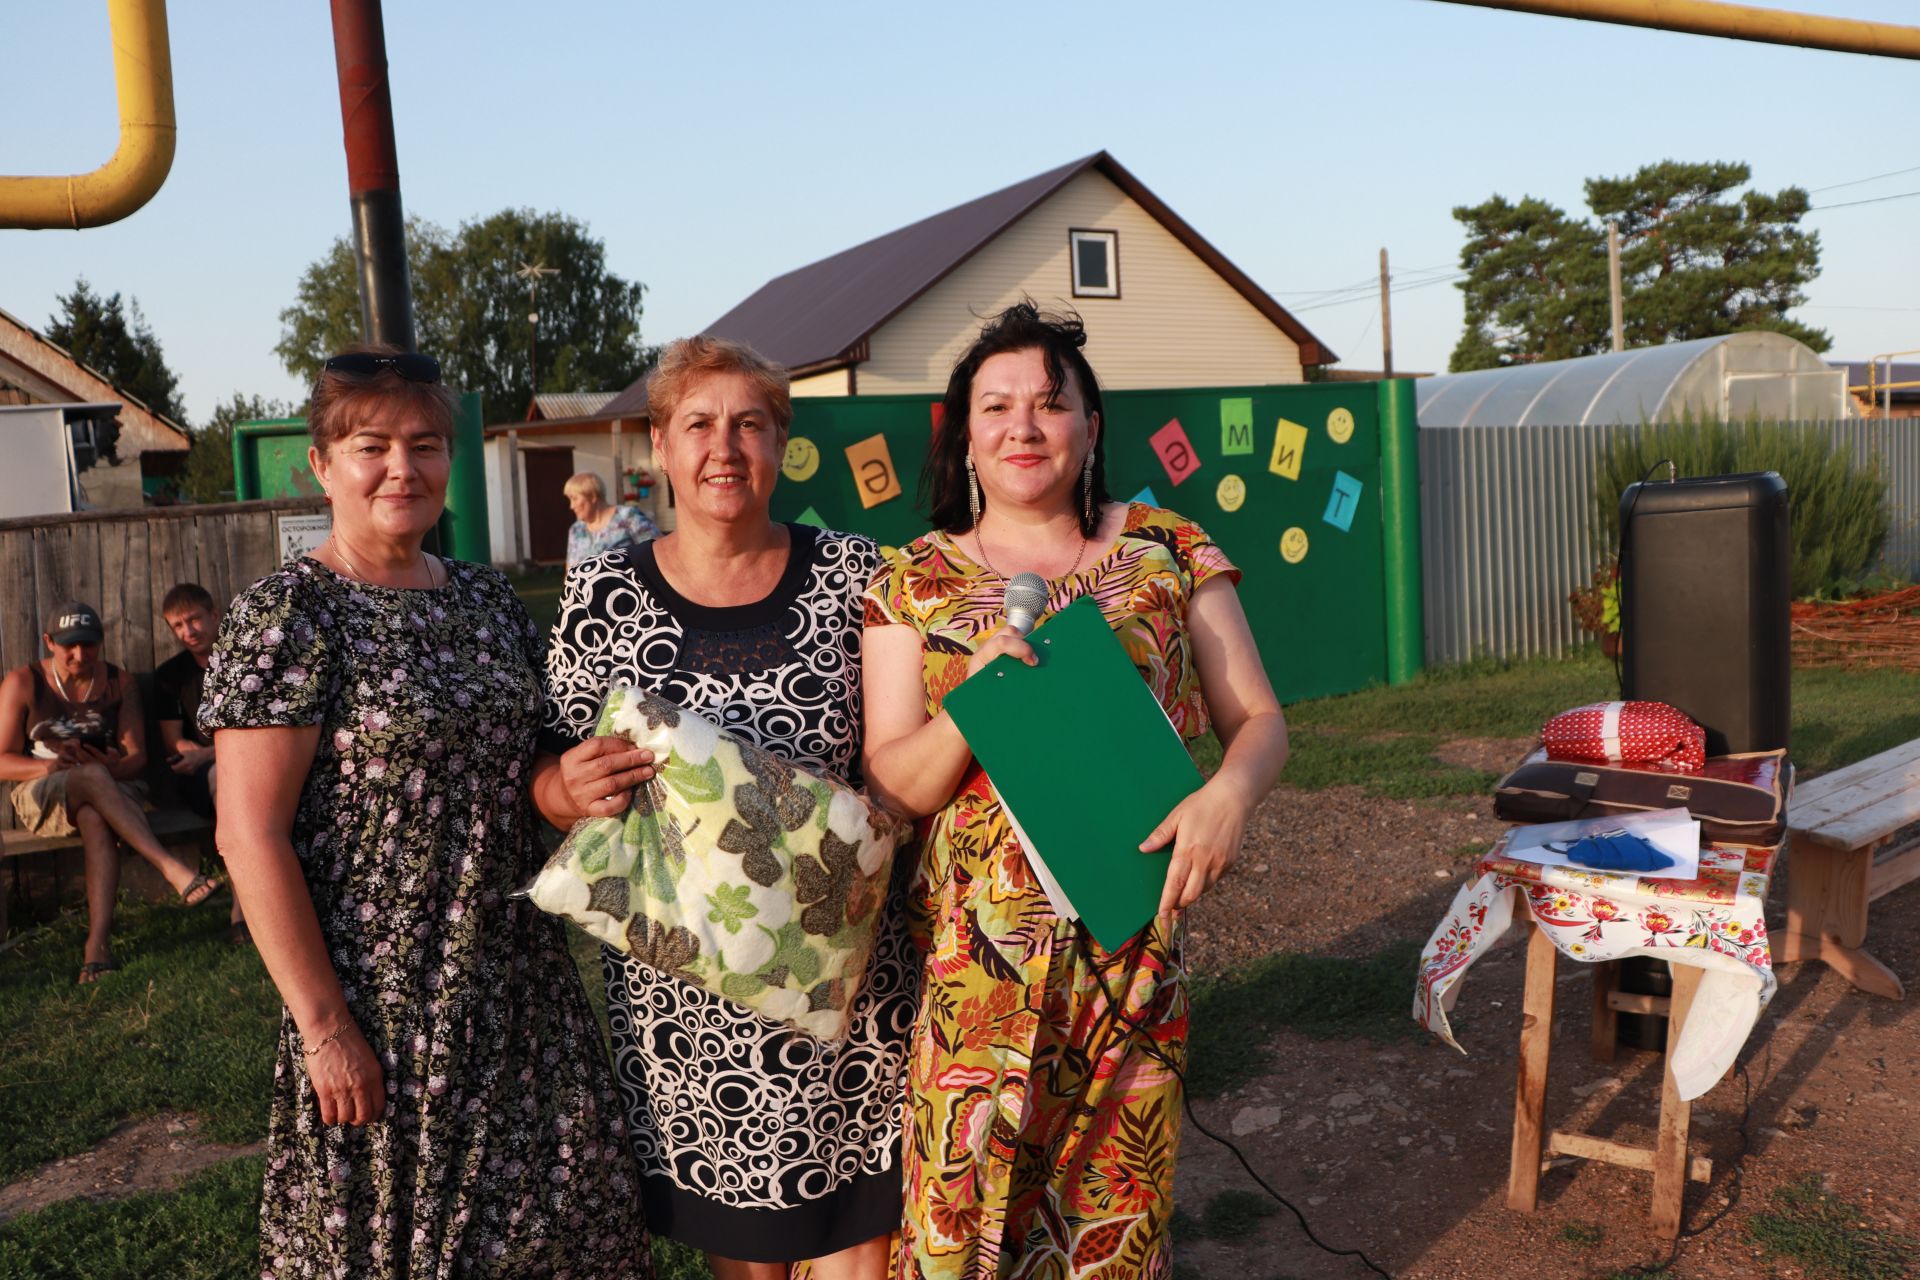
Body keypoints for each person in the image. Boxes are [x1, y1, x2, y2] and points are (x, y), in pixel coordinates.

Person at [200, 345, 651, 1279]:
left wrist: (563, 787)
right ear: (320, 465)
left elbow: (525, 767)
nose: (402, 467)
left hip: (520, 986)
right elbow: (248, 834)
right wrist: (327, 1030)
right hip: (386, 1002)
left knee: (564, 1241)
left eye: (427, 444)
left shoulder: (487, 600)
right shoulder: (290, 616)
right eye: (372, 445)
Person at [861, 303, 1291, 1277]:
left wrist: (1229, 796)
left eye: (1051, 404)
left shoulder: (1168, 550)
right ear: (964, 435)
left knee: (1111, 1238)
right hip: (972, 985)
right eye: (998, 406)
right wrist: (970, 700)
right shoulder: (911, 581)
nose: (1025, 425)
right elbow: (896, 782)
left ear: (1091, 426)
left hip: (1131, 960)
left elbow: (1261, 722)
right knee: (957, 1240)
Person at [534, 335, 913, 1280]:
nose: (724, 447)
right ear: (659, 446)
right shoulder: (606, 591)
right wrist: (559, 788)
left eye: (750, 424)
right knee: (742, 1261)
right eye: (698, 424)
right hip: (690, 1004)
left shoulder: (857, 573)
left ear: (782, 443)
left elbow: (907, 746)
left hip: (850, 992)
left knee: (860, 1247)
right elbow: (545, 765)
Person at [0, 602, 223, 984]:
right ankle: (171, 869)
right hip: (44, 790)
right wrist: (52, 766)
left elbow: (136, 760)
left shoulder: (120, 682)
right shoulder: (23, 682)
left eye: (88, 645)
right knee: (90, 778)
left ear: (100, 643)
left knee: (94, 811)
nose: (79, 655)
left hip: (114, 789)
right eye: (69, 646)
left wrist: (108, 762)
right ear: (49, 642)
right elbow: (2, 760)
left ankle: (97, 949)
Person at [155, 582, 248, 945]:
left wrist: (207, 753)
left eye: (194, 620)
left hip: (246, 765)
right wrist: (188, 753)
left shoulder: (242, 659)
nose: (188, 631)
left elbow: (257, 732)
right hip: (201, 778)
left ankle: (243, 906)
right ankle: (242, 908)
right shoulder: (170, 676)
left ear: (213, 615)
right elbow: (172, 739)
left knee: (232, 785)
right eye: (178, 625)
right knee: (226, 786)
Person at [565, 471, 659, 566]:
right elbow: (569, 572)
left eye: (574, 498)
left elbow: (658, 552)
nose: (571, 506)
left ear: (593, 496)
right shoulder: (576, 530)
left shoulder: (628, 516)